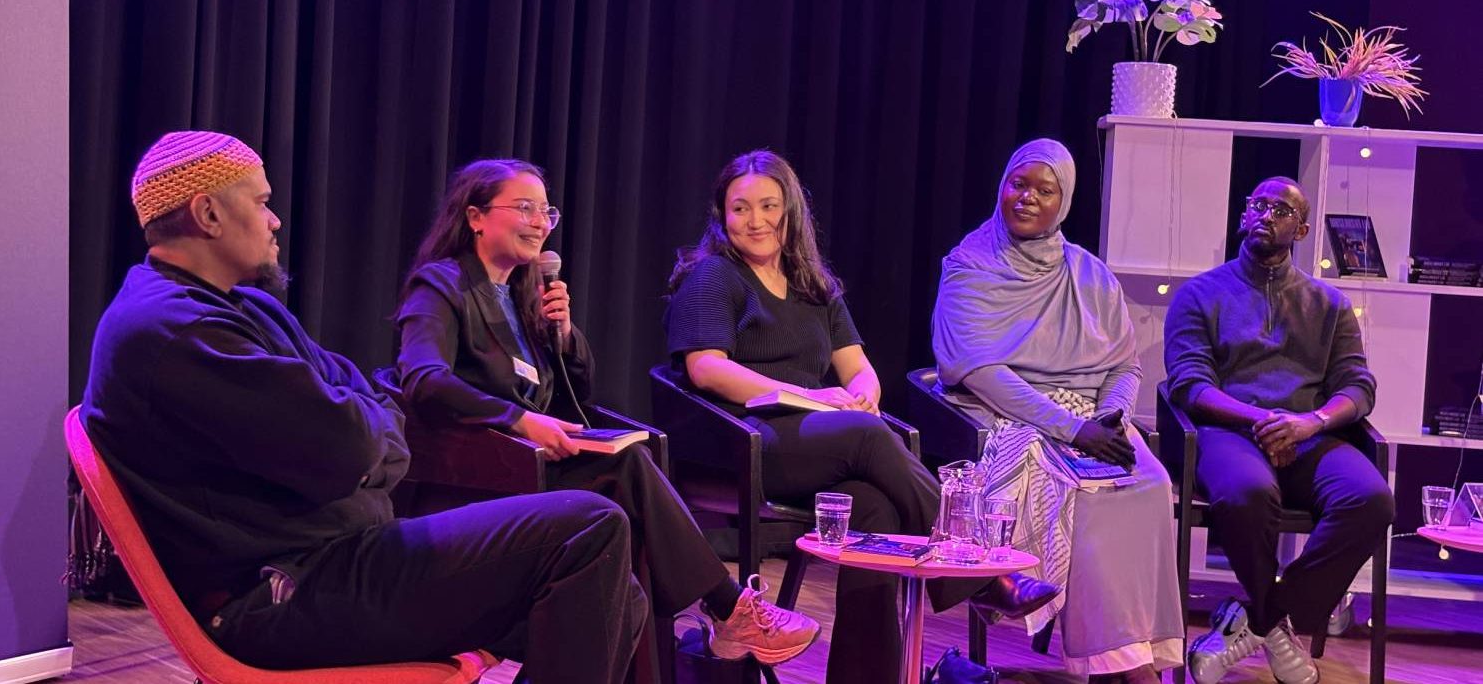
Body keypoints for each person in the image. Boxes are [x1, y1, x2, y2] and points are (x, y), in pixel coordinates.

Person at [81, 132, 645, 682]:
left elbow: (364, 400)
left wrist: (366, 438)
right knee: (589, 528)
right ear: (208, 214)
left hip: (339, 559)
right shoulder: (178, 330)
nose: (275, 220)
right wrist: (365, 440)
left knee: (619, 595)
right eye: (261, 202)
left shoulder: (247, 308)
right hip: (279, 593)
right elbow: (350, 445)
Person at [394, 158, 819, 665]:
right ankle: (729, 610)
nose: (539, 223)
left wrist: (564, 335)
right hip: (478, 477)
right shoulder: (441, 285)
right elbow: (423, 380)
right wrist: (518, 420)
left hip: (538, 465)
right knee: (629, 469)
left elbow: (574, 395)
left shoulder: (524, 293)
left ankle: (703, 628)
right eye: (524, 208)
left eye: (546, 212)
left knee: (636, 470)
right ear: (475, 217)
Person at [664, 149, 1058, 683]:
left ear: (790, 211)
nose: (755, 220)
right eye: (740, 208)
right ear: (722, 215)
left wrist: (864, 394)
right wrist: (805, 395)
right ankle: (981, 574)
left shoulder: (812, 286)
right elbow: (706, 368)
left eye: (768, 206)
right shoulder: (714, 276)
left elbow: (858, 369)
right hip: (746, 441)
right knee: (866, 436)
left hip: (815, 441)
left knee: (875, 509)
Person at [931, 139, 1184, 683]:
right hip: (1013, 415)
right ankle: (1121, 666)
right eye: (1017, 184)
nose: (1026, 198)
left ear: (1063, 201)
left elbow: (1125, 365)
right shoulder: (970, 265)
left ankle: (1136, 651)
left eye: (1044, 190)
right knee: (1085, 496)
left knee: (1151, 483)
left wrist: (1111, 418)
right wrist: (1073, 429)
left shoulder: (1090, 274)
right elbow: (979, 371)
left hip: (1094, 418)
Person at [1165, 176, 1395, 684]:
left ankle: (1259, 619)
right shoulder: (1199, 294)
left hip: (1310, 436)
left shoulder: (1329, 304)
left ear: (1302, 230)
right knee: (1247, 493)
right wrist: (1261, 420)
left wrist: (1310, 422)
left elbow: (1358, 386)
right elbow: (1189, 384)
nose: (1266, 215)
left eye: (1281, 210)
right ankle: (1275, 628)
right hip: (1230, 432)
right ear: (1243, 216)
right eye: (1258, 205)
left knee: (1373, 500)